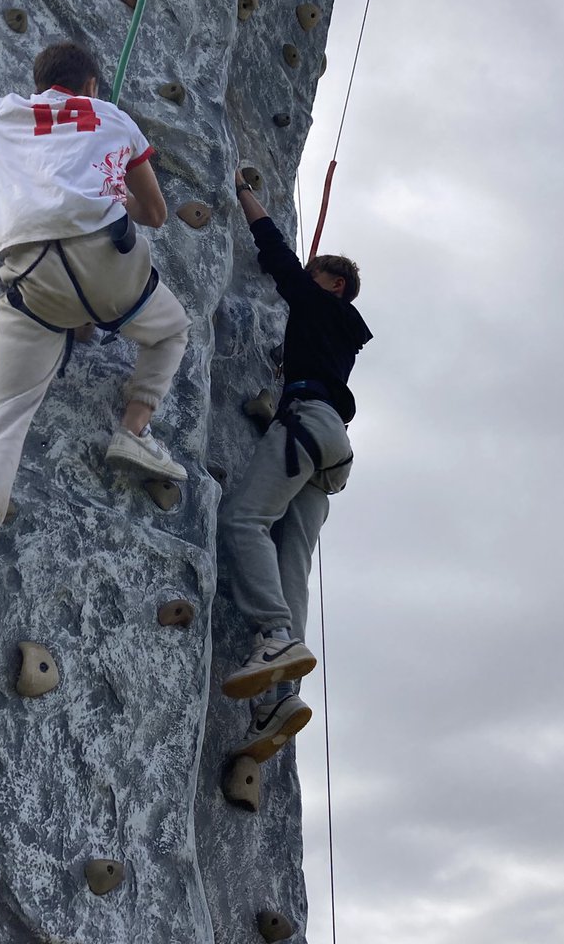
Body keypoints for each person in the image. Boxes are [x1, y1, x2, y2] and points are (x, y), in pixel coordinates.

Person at [0, 41, 190, 650]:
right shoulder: (113, 117)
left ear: (41, 83)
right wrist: (112, 181)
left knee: (1, 418)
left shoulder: (5, 112)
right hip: (110, 263)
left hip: (33, 277)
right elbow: (155, 213)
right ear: (91, 84)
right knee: (171, 329)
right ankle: (134, 428)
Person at [220, 169, 372, 762]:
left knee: (244, 521)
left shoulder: (317, 302)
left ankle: (275, 636)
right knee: (294, 559)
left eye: (315, 277)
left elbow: (277, 255)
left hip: (308, 423)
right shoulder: (340, 334)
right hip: (332, 451)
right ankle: (283, 698)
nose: (305, 282)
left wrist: (245, 194)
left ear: (334, 284)